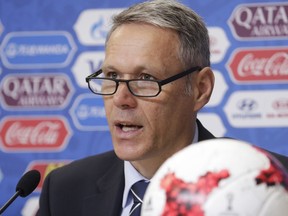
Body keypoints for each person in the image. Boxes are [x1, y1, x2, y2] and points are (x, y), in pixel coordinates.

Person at [37, 0, 288, 215]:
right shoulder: (63, 190)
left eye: (145, 79)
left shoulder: (272, 181)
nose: (121, 98)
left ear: (201, 89)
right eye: (111, 75)